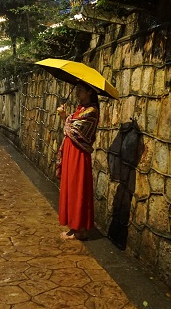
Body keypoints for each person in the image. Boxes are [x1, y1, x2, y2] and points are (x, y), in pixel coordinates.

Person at [56, 82, 100, 240]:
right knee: (70, 186)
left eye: (80, 90)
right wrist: (66, 117)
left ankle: (80, 228)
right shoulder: (80, 109)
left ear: (89, 92)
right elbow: (71, 124)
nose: (77, 92)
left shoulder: (92, 111)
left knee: (78, 186)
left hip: (79, 153)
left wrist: (65, 118)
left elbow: (76, 130)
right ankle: (75, 226)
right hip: (71, 151)